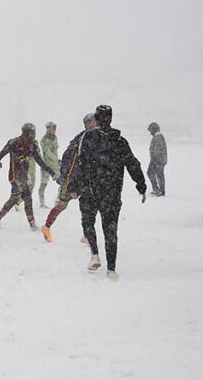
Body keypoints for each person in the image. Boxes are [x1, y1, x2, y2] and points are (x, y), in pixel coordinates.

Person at [67, 105, 146, 280]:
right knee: (110, 230)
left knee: (87, 222)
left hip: (90, 190)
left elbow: (80, 164)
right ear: (110, 119)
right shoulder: (120, 141)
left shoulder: (87, 138)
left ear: (96, 119)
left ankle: (94, 253)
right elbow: (133, 163)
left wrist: (73, 186)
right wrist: (141, 185)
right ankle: (111, 269)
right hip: (111, 192)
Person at [0, 124, 57, 231]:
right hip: (14, 175)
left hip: (24, 176)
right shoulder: (14, 142)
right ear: (26, 132)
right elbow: (1, 154)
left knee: (20, 199)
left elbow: (39, 160)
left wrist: (50, 171)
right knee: (22, 197)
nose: (35, 135)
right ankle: (31, 224)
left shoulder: (33, 145)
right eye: (33, 133)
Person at [42, 113, 96, 243]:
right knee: (62, 205)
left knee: (89, 207)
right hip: (72, 178)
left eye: (95, 122)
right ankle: (46, 226)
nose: (94, 124)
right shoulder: (80, 139)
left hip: (86, 179)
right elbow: (67, 158)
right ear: (87, 124)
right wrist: (68, 179)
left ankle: (87, 235)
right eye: (91, 122)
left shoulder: (98, 138)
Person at [38, 123, 60, 208]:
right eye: (52, 128)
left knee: (63, 181)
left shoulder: (55, 138)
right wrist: (56, 160)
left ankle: (58, 200)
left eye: (55, 128)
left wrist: (57, 161)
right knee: (43, 184)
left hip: (55, 165)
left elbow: (55, 151)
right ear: (47, 129)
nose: (54, 130)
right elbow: (47, 153)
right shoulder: (43, 140)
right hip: (46, 165)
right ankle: (42, 203)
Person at [147, 122, 168, 197]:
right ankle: (160, 190)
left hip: (157, 160)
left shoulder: (157, 137)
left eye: (150, 131)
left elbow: (157, 151)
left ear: (154, 130)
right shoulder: (159, 137)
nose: (150, 133)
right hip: (160, 159)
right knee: (159, 175)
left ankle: (158, 190)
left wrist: (154, 159)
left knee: (152, 173)